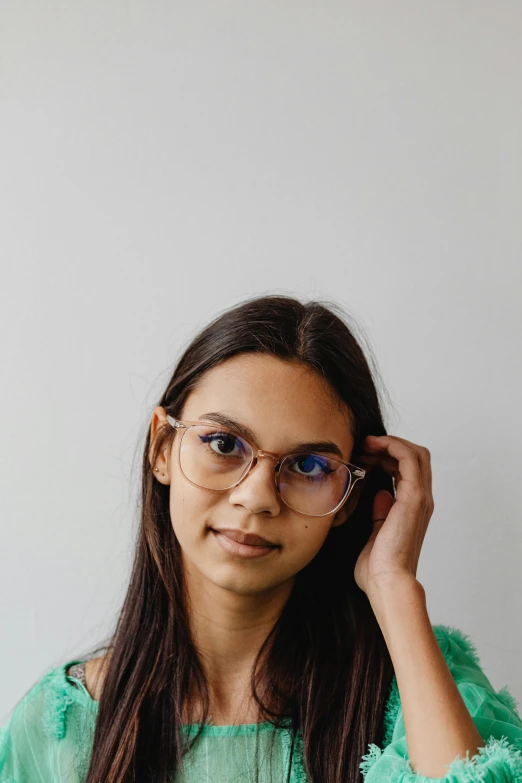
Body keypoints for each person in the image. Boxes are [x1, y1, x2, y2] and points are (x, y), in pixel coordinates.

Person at [1, 294, 521, 783]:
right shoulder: (56, 732)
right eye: (223, 443)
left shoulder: (413, 694)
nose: (257, 498)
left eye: (309, 464)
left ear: (349, 499)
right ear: (162, 448)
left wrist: (394, 586)